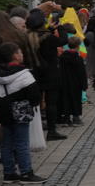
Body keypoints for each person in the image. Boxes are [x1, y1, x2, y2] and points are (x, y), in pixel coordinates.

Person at [0, 42, 44, 184]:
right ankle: (26, 172)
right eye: (20, 52)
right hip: (20, 112)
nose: (22, 54)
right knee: (22, 142)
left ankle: (9, 173)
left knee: (7, 142)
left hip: (3, 112)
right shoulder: (24, 74)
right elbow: (35, 96)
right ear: (15, 56)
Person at [25, 12, 66, 141]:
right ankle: (52, 130)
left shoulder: (27, 37)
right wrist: (60, 27)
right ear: (43, 23)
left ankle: (34, 132)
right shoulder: (49, 38)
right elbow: (63, 40)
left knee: (34, 103)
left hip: (34, 74)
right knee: (51, 103)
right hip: (51, 74)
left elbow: (39, 38)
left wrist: (49, 29)